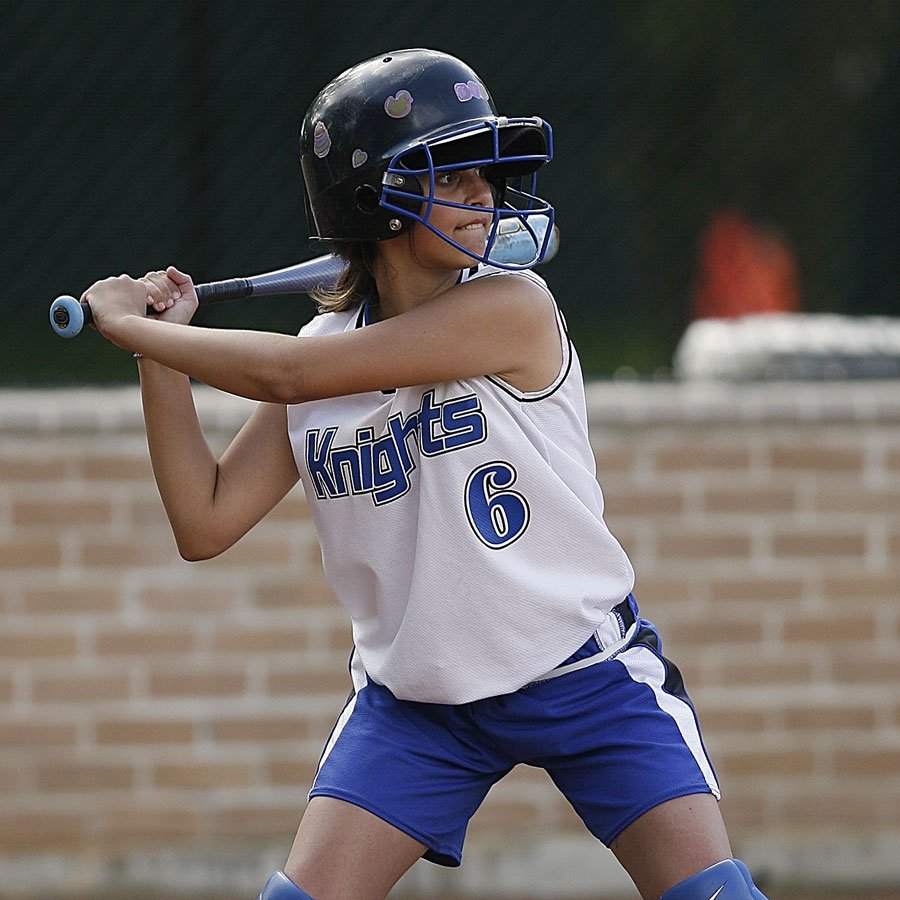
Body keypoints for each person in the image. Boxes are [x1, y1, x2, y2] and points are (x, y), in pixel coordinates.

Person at [82, 49, 768, 900]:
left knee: (714, 896)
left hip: (581, 674)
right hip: (417, 705)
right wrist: (161, 361)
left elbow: (289, 379)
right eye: (452, 175)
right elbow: (205, 519)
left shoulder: (511, 306)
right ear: (374, 202)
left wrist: (135, 331)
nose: (484, 194)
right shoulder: (323, 353)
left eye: (487, 173)